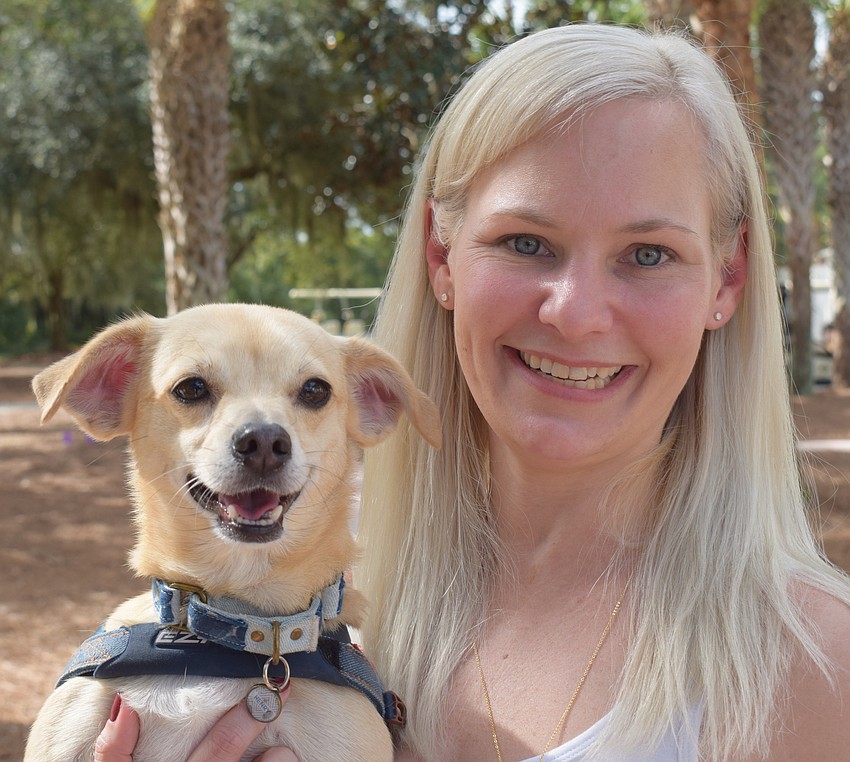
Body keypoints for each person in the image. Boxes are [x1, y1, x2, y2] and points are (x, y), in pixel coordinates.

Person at [96, 22, 850, 761]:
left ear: (728, 279)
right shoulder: (309, 610)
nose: (577, 314)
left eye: (648, 253)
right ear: (441, 254)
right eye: (527, 242)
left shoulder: (815, 668)